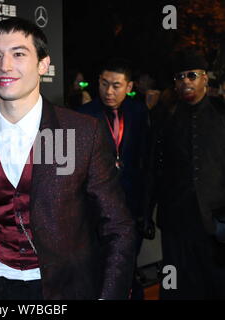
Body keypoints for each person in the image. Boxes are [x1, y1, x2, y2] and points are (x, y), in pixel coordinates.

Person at [0, 17, 136, 300]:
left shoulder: (82, 132)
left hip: (67, 287)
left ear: (43, 65)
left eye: (18, 54)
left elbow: (118, 226)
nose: (5, 66)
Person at [146, 49, 225, 299]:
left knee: (223, 289)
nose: (186, 81)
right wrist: (146, 213)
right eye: (180, 77)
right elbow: (152, 170)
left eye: (192, 75)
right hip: (178, 227)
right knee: (177, 290)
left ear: (205, 79)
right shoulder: (164, 118)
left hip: (223, 224)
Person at [78, 58, 152, 300]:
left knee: (127, 268)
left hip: (131, 207)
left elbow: (147, 161)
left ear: (129, 86)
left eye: (117, 85)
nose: (109, 91)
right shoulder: (83, 116)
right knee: (100, 271)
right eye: (104, 83)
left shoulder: (140, 113)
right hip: (96, 211)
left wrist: (145, 209)